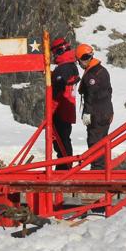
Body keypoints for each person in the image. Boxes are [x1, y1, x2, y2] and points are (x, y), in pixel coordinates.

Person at [75, 43, 113, 170]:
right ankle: (102, 167)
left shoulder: (91, 75)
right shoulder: (102, 70)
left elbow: (91, 95)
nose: (81, 63)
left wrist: (87, 112)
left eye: (81, 60)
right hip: (106, 111)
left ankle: (98, 169)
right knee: (102, 141)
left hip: (97, 113)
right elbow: (108, 91)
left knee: (95, 141)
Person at [49, 36, 80, 166]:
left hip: (60, 108)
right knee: (63, 140)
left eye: (54, 52)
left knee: (61, 141)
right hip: (66, 109)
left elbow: (60, 83)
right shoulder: (70, 66)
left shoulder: (64, 67)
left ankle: (64, 169)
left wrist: (51, 78)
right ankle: (64, 167)